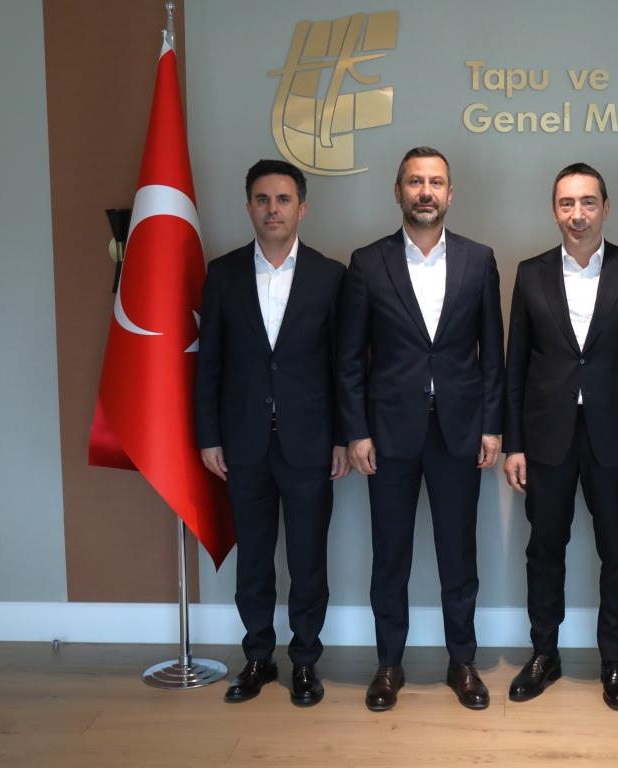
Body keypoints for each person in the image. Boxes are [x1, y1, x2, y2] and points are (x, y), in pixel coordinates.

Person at [338, 146, 505, 712]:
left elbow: (493, 354)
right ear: (398, 192)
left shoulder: (479, 260)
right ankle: (389, 664)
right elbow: (350, 358)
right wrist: (356, 430)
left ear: (450, 193)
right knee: (390, 555)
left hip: (460, 431)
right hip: (387, 434)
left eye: (435, 182)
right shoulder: (368, 262)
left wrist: (491, 425)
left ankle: (462, 662)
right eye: (415, 182)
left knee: (459, 554)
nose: (425, 191)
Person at [503, 163, 618, 711]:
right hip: (546, 437)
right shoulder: (529, 273)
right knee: (544, 549)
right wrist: (514, 444)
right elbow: (514, 366)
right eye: (567, 203)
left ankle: (615, 662)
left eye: (588, 202)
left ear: (605, 207)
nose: (578, 214)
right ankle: (544, 654)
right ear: (555, 211)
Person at [194, 159, 349, 706]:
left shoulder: (330, 276)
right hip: (243, 444)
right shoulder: (223, 274)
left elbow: (343, 365)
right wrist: (209, 435)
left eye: (283, 199)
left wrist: (342, 436)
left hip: (311, 443)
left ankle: (305, 660)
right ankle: (258, 656)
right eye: (262, 199)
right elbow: (209, 363)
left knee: (308, 560)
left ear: (301, 208)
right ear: (249, 208)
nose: (273, 209)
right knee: (254, 559)